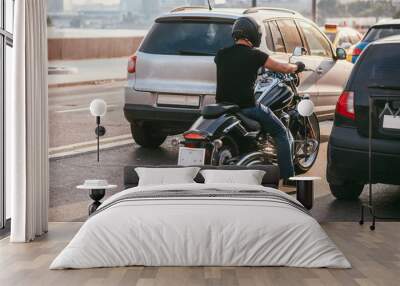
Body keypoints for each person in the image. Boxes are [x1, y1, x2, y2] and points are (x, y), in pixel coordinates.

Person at [214, 16, 305, 180]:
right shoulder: (255, 55)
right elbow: (283, 67)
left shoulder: (221, 54)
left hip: (224, 105)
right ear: (253, 35)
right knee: (281, 133)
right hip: (247, 107)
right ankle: (289, 177)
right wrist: (297, 67)